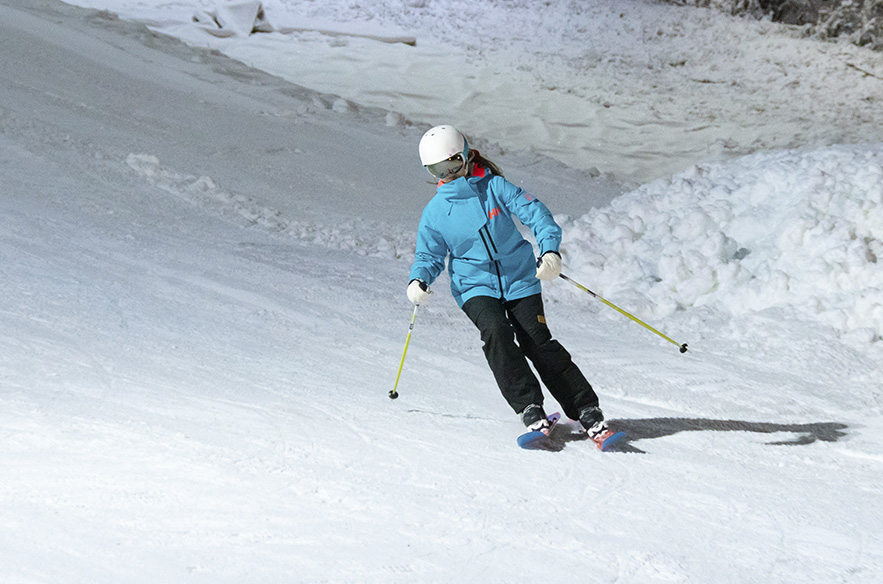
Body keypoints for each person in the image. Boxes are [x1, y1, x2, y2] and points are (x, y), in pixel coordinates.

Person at [407, 125, 612, 440]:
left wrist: (549, 251)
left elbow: (537, 214)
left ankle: (585, 408)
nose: (447, 173)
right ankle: (529, 406)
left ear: (465, 155)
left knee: (537, 341)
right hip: (474, 286)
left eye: (451, 163)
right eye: (438, 169)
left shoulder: (495, 188)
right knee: (497, 333)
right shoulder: (436, 212)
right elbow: (428, 254)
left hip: (519, 278)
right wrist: (419, 279)